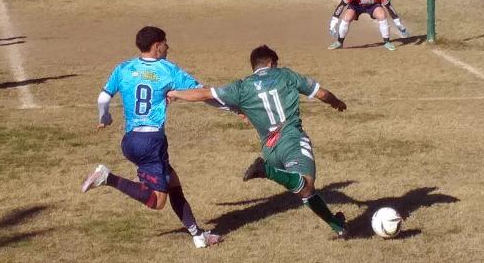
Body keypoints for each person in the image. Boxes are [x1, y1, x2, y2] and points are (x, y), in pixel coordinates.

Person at [166, 45, 349, 238]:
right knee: (306, 185)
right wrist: (336, 102)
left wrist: (175, 93)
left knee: (304, 191)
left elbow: (205, 94)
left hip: (269, 149)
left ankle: (338, 226)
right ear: (272, 63)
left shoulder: (242, 87)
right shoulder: (286, 75)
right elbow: (322, 93)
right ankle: (266, 171)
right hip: (291, 140)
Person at [81, 26, 222, 249]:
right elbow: (202, 92)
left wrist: (105, 117)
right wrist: (231, 108)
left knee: (173, 183)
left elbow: (102, 98)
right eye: (166, 43)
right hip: (151, 143)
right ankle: (108, 178)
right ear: (157, 46)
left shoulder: (124, 68)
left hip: (130, 141)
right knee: (157, 202)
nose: (168, 47)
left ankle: (198, 236)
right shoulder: (167, 70)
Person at [327, 0, 409, 51]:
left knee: (382, 14)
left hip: (373, 6)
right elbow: (341, 5)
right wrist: (333, 23)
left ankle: (387, 42)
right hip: (356, 6)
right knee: (347, 17)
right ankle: (339, 42)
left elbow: (389, 7)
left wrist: (398, 23)